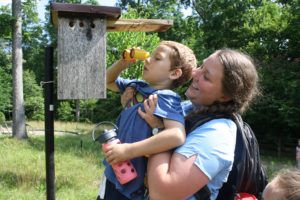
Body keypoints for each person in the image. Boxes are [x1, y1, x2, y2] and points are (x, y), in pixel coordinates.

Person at [107, 48, 260, 200]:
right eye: (201, 67)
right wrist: (132, 107)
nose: (194, 73)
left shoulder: (217, 135)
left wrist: (159, 129)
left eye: (206, 77)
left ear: (224, 96)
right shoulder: (188, 107)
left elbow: (162, 193)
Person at [99, 41, 197, 200]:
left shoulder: (167, 98)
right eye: (150, 55)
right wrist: (121, 64)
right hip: (115, 171)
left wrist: (127, 151)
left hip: (134, 179)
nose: (148, 59)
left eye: (157, 58)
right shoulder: (137, 86)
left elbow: (176, 135)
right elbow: (107, 81)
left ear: (174, 73)